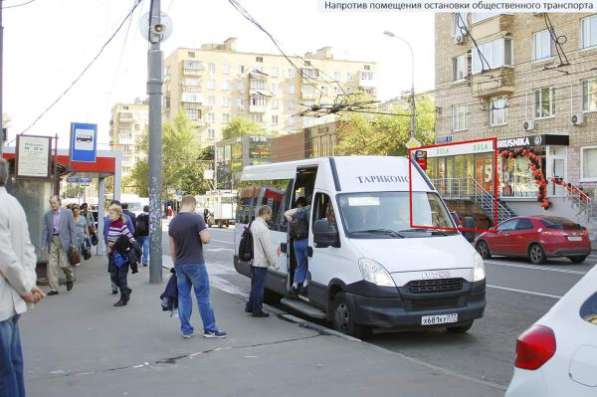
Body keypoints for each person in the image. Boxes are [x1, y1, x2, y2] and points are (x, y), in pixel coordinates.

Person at [0, 159, 45, 397]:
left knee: (3, 374)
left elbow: (4, 257)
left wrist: (25, 288)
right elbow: (27, 249)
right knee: (13, 367)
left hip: (3, 301)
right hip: (13, 303)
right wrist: (28, 285)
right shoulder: (13, 204)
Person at [168, 195, 226, 339]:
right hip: (196, 264)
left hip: (180, 264)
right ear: (193, 204)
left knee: (184, 297)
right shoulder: (196, 219)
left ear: (182, 204)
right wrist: (206, 233)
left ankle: (186, 330)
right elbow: (205, 239)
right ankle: (210, 329)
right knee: (203, 297)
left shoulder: (173, 222)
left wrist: (176, 264)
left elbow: (172, 248)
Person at [246, 205, 280, 318]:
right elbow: (268, 248)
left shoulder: (253, 224)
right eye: (270, 214)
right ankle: (257, 310)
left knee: (254, 285)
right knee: (259, 287)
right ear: (265, 213)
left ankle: (250, 306)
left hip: (252, 260)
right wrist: (275, 263)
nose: (270, 217)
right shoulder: (263, 228)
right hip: (260, 261)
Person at [42, 195, 76, 295]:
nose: (53, 205)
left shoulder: (67, 213)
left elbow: (72, 229)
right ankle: (54, 288)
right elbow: (45, 231)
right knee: (51, 266)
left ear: (59, 202)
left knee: (64, 264)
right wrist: (43, 244)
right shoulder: (47, 215)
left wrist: (73, 244)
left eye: (54, 203)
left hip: (64, 241)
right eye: (51, 203)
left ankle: (69, 277)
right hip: (52, 241)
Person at [106, 204, 136, 307]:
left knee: (121, 277)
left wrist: (133, 252)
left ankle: (124, 298)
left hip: (122, 256)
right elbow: (110, 238)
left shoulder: (122, 226)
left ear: (118, 215)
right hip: (113, 255)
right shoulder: (111, 224)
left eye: (111, 213)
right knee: (114, 276)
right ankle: (126, 290)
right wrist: (109, 246)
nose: (109, 215)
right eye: (109, 212)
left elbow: (131, 239)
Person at [284, 196, 311, 291]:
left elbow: (286, 214)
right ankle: (305, 283)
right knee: (309, 263)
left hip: (296, 242)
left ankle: (295, 283)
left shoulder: (293, 215)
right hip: (306, 241)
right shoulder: (307, 212)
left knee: (300, 264)